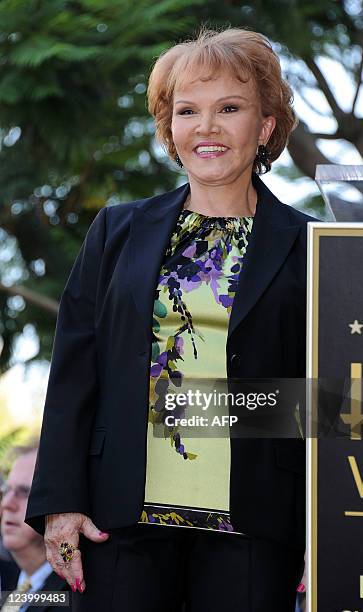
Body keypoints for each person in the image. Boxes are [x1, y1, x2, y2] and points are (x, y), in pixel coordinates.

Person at [25, 28, 316, 611]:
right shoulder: (115, 230)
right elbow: (75, 371)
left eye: (228, 108)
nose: (206, 127)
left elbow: (325, 395)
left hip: (257, 521)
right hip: (120, 519)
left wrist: (323, 527)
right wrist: (61, 502)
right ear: (170, 129)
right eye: (188, 111)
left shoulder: (311, 244)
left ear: (263, 127)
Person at [0, 445, 69, 611]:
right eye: (6, 491)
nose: (7, 504)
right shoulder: (13, 583)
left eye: (25, 492)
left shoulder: (77, 597)